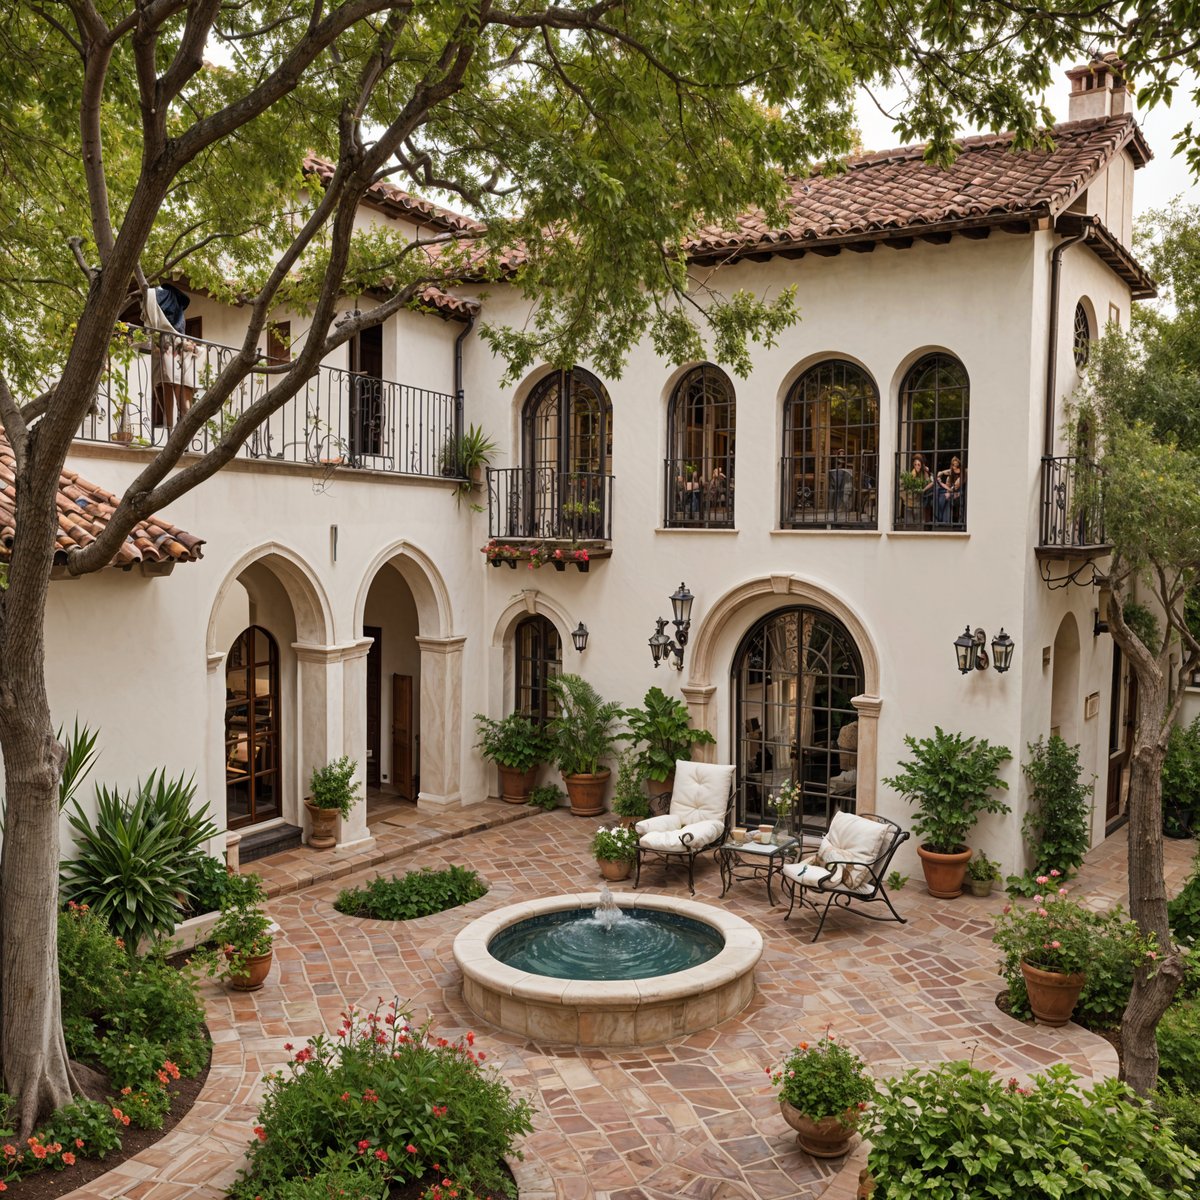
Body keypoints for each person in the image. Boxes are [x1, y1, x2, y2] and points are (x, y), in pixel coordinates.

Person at [935, 455, 966, 524]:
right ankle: (941, 520)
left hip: (959, 493)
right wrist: (941, 474)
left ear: (959, 465)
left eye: (956, 465)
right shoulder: (952, 472)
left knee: (946, 497)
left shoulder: (962, 474)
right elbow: (944, 472)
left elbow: (954, 487)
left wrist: (947, 490)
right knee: (940, 495)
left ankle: (944, 521)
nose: (955, 467)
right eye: (953, 465)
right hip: (951, 491)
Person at [909, 453, 934, 522]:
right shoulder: (913, 473)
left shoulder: (925, 471)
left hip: (928, 491)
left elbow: (931, 482)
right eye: (915, 465)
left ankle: (927, 521)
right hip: (921, 493)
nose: (917, 466)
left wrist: (923, 489)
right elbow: (911, 485)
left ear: (921, 464)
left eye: (918, 464)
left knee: (928, 502)